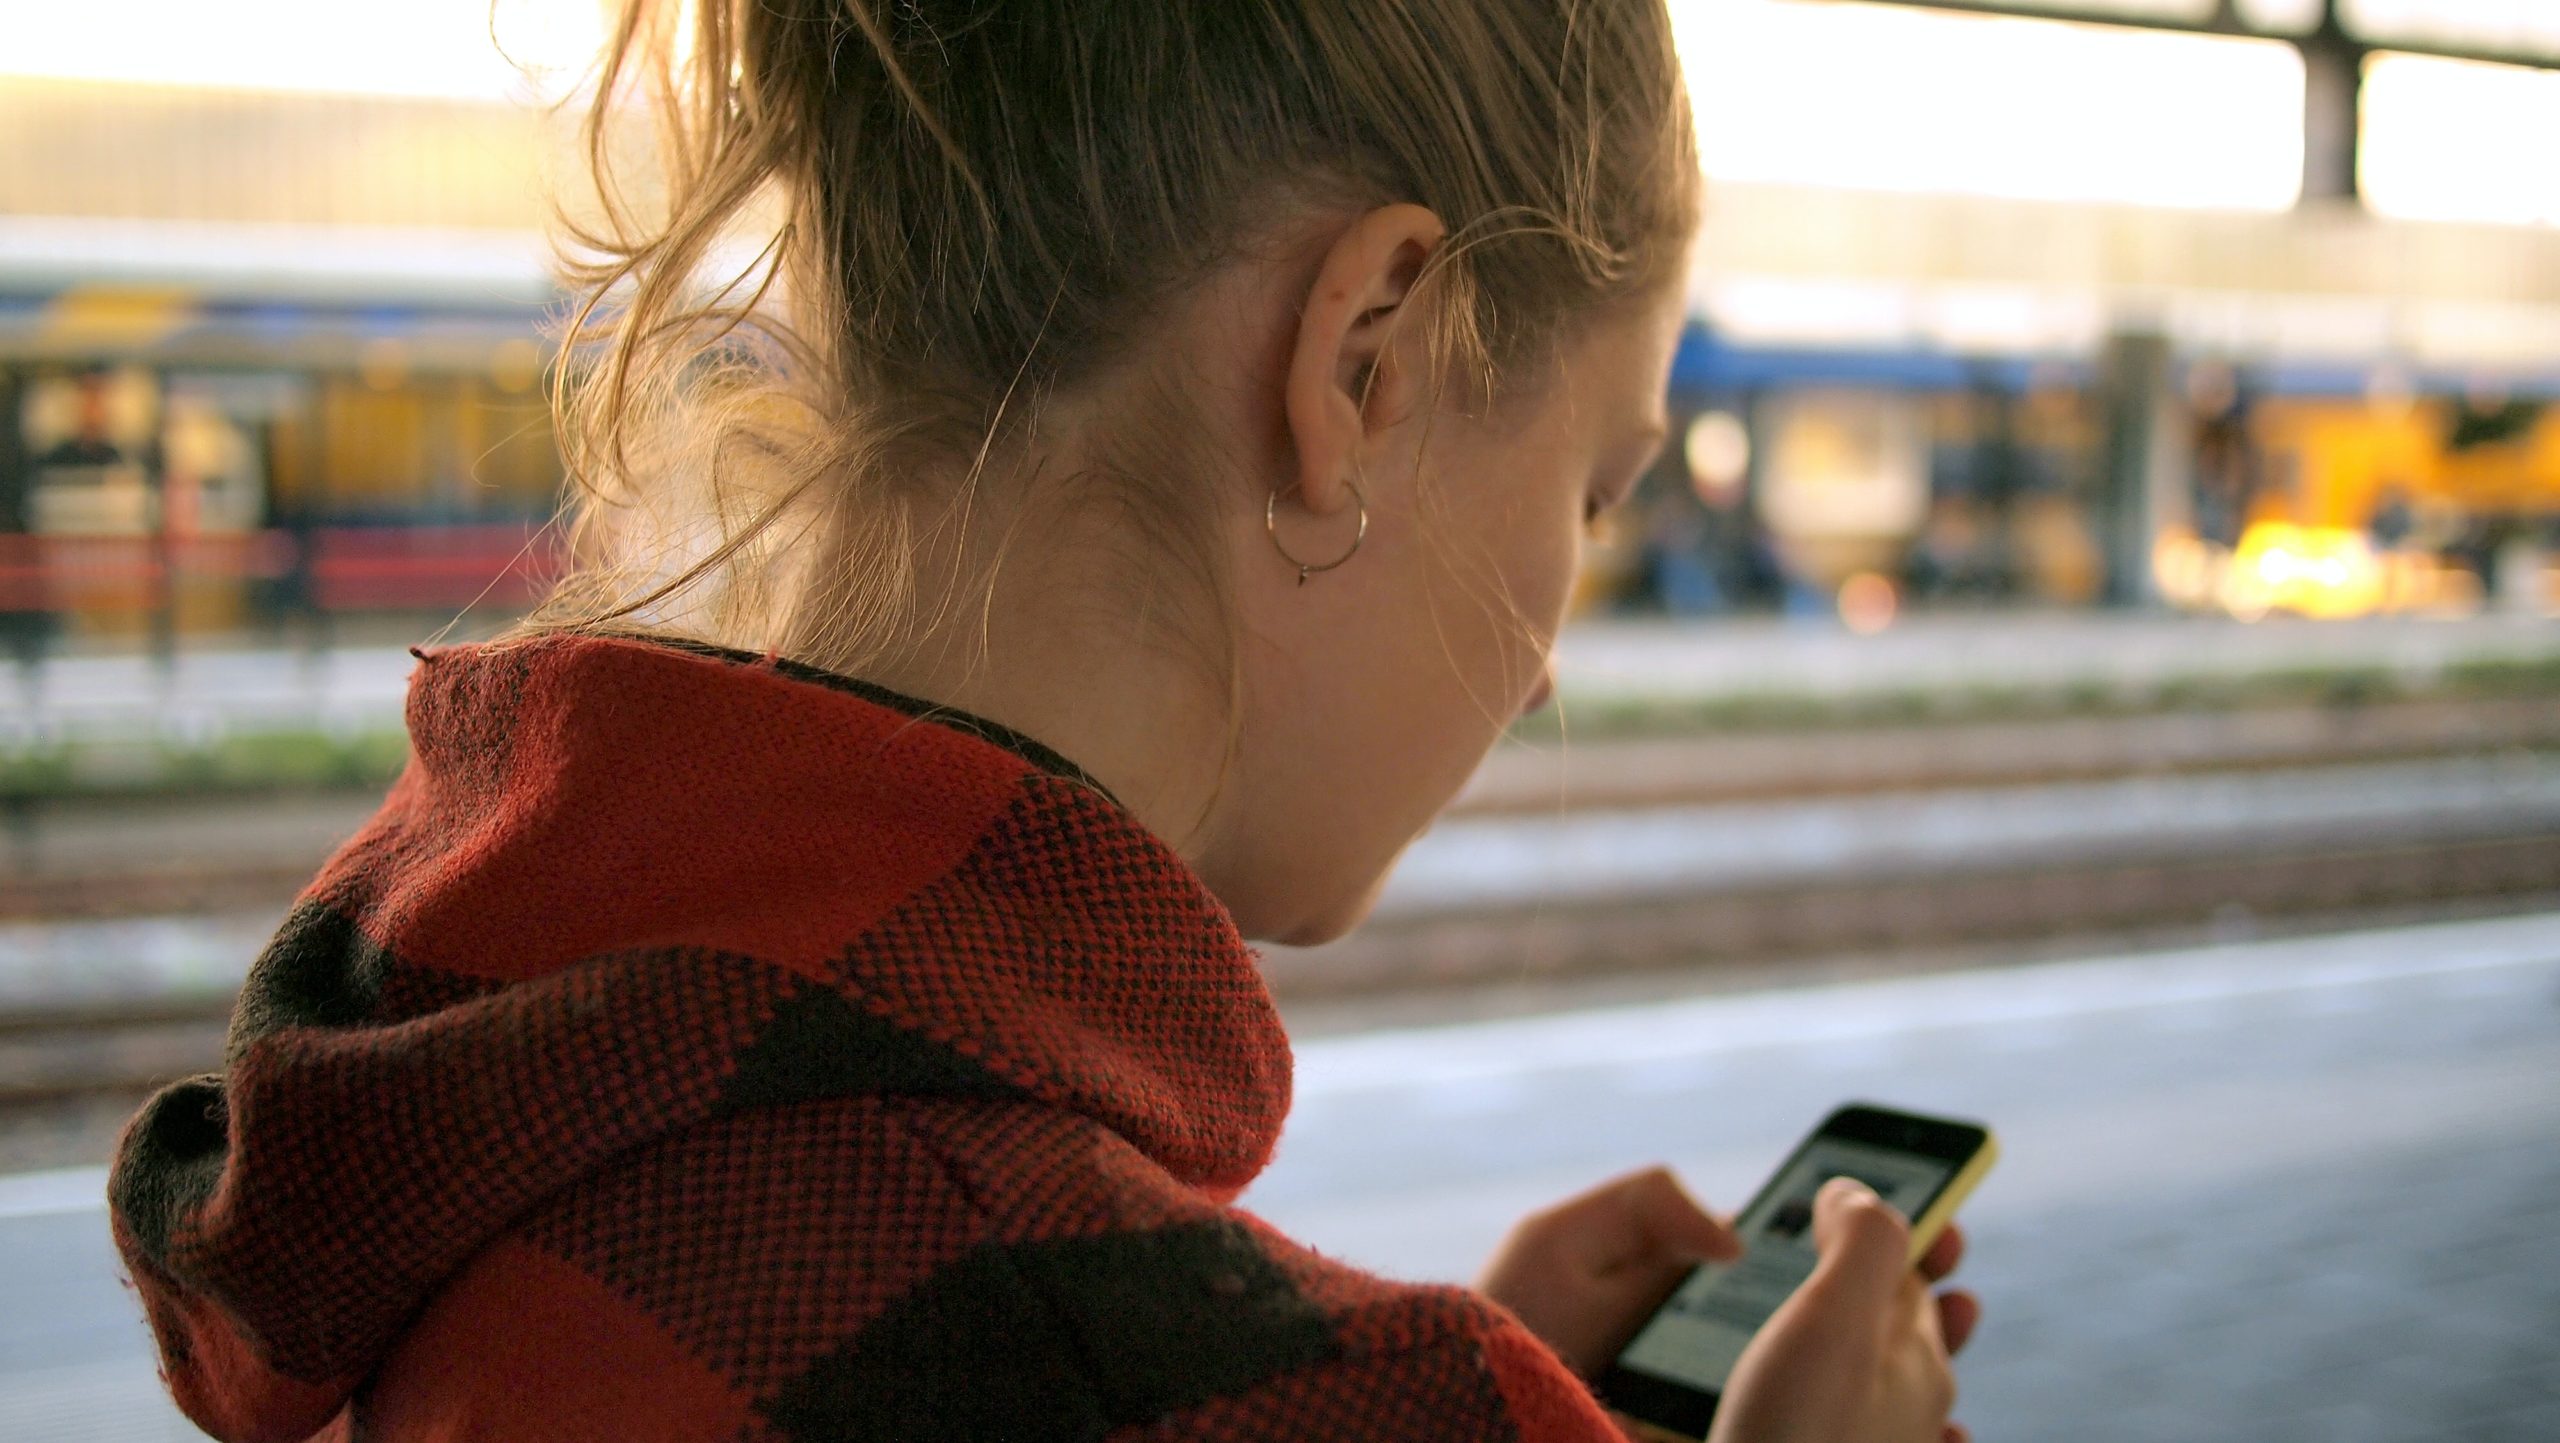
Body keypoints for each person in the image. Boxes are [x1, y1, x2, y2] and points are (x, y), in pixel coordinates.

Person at [108, 2, 1978, 1439]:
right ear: (1367, 360)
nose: (1551, 649)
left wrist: (1316, 1352)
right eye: (1592, 487)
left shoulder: (466, 1088)